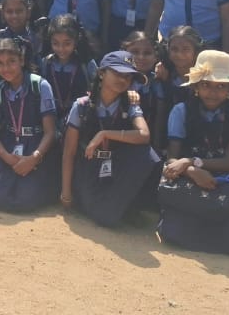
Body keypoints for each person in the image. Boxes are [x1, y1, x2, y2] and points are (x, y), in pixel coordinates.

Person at [157, 50, 229, 255]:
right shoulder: (181, 111)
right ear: (196, 86)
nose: (213, 92)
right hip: (188, 177)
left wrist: (191, 162)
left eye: (221, 86)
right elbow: (172, 159)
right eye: (206, 85)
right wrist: (191, 172)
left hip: (226, 177)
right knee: (173, 232)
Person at [60, 51, 160, 227]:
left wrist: (105, 133)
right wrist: (66, 193)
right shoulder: (82, 105)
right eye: (117, 73)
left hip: (115, 165)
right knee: (103, 215)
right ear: (101, 73)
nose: (123, 80)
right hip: (89, 167)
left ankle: (128, 207)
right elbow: (69, 152)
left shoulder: (130, 104)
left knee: (148, 155)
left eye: (128, 77)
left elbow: (144, 136)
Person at [0, 37, 57, 212]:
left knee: (26, 199)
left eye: (11, 61)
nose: (6, 68)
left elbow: (50, 132)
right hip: (8, 144)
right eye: (0, 63)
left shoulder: (40, 85)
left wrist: (34, 158)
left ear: (22, 60)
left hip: (35, 145)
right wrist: (6, 157)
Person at [147, 26, 201, 156]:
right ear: (168, 50)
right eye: (174, 49)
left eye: (186, 49)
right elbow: (160, 115)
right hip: (169, 137)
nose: (179, 54)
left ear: (196, 51)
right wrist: (156, 147)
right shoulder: (164, 76)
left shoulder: (204, 78)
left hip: (199, 139)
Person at [42, 14, 99, 130]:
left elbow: (99, 87)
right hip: (51, 120)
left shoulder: (86, 63)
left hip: (79, 121)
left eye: (67, 43)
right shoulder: (46, 63)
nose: (61, 49)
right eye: (55, 43)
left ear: (76, 41)